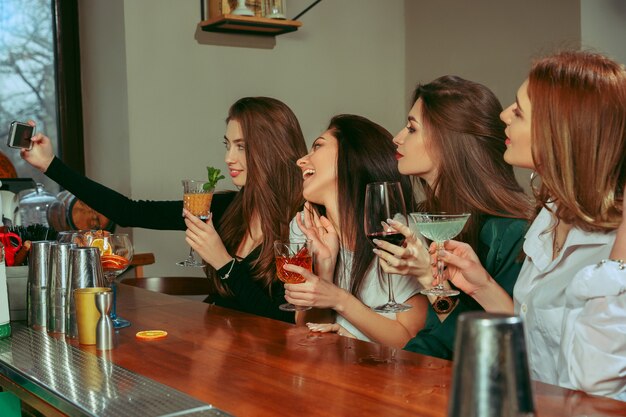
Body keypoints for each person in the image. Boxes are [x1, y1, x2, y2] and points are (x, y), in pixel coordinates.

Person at [434, 51, 626, 400]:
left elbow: (594, 386)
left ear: (562, 131)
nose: (504, 114)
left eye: (519, 111)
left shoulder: (615, 240)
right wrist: (481, 286)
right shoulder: (551, 212)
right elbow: (541, 344)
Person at [21, 97, 308, 322]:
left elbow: (282, 319)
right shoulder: (223, 208)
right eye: (227, 145)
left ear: (271, 149)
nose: (228, 158)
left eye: (241, 147)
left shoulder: (302, 222)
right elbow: (129, 211)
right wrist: (50, 165)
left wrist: (223, 261)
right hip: (219, 351)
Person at [371, 75, 533, 359]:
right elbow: (433, 337)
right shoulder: (427, 219)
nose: (397, 138)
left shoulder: (510, 232)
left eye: (411, 128)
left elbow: (495, 351)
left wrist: (429, 279)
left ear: (449, 140)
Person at [282, 114, 426, 348]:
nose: (301, 161)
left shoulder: (398, 232)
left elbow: (411, 340)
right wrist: (325, 270)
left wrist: (340, 300)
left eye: (318, 146)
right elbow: (305, 331)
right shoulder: (304, 226)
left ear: (353, 156)